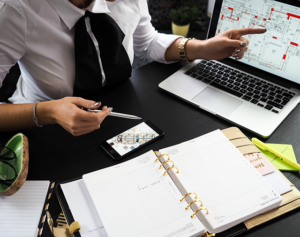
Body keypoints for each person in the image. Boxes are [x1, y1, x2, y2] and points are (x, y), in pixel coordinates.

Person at [0, 0, 265, 136]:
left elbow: (146, 41)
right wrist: (48, 111)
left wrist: (200, 48)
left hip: (119, 107)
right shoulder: (14, 10)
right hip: (45, 128)